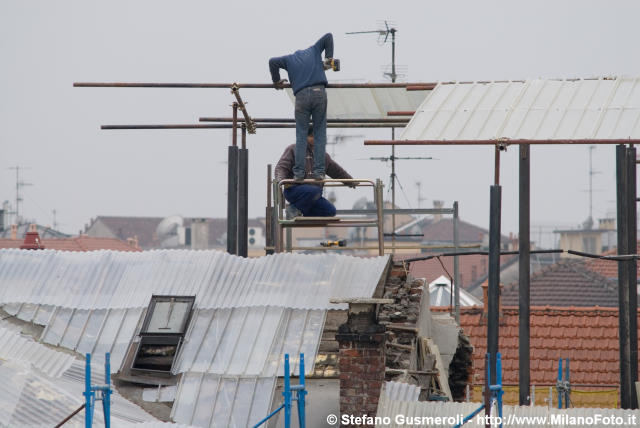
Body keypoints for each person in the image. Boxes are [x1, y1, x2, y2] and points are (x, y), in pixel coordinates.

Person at [269, 33, 334, 181]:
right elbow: (328, 36)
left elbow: (272, 62)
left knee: (301, 135)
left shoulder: (288, 59)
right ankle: (319, 172)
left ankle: (298, 173)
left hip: (301, 96)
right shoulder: (314, 50)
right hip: (319, 92)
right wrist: (329, 60)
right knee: (319, 133)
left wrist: (277, 81)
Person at [275, 128, 354, 218]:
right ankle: (293, 208)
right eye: (311, 136)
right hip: (294, 190)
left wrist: (350, 181)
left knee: (330, 211)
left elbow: (336, 171)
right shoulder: (294, 149)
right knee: (314, 190)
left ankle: (299, 212)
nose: (314, 139)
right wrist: (280, 180)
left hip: (314, 195)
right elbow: (281, 167)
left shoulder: (323, 156)